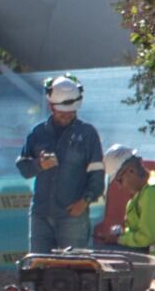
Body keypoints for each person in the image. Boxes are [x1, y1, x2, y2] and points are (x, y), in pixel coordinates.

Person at [17, 74, 105, 253]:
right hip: (41, 215)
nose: (68, 115)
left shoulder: (88, 134)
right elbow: (23, 167)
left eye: (71, 112)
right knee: (38, 270)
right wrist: (39, 165)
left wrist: (86, 200)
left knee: (73, 271)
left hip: (73, 217)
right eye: (63, 112)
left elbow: (97, 175)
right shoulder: (38, 133)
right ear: (51, 107)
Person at [102, 144, 155, 266]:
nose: (120, 186)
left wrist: (119, 239)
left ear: (131, 171)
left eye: (119, 180)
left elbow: (146, 237)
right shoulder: (152, 183)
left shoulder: (152, 192)